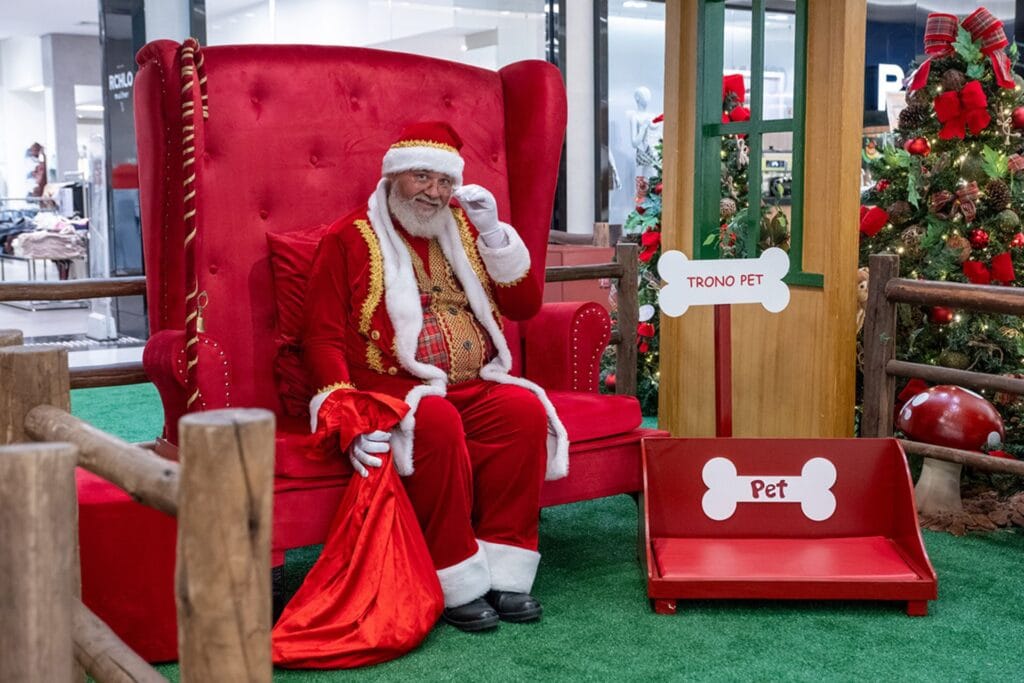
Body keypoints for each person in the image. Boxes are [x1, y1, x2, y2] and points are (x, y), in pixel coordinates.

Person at [301, 121, 569, 632]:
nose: (435, 193)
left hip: (475, 381)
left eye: (445, 182)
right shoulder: (348, 238)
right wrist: (344, 410)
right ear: (394, 177)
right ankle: (456, 580)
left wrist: (494, 233)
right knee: (436, 422)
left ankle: (504, 571)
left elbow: (525, 305)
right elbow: (320, 338)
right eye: (422, 177)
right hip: (395, 387)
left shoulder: (465, 232)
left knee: (523, 412)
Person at [628, 86, 662, 190]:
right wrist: (643, 128)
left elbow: (658, 134)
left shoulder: (652, 115)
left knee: (654, 181)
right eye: (644, 95)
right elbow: (634, 143)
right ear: (637, 98)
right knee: (643, 184)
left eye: (648, 95)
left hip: (655, 156)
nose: (648, 98)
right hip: (643, 156)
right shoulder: (635, 117)